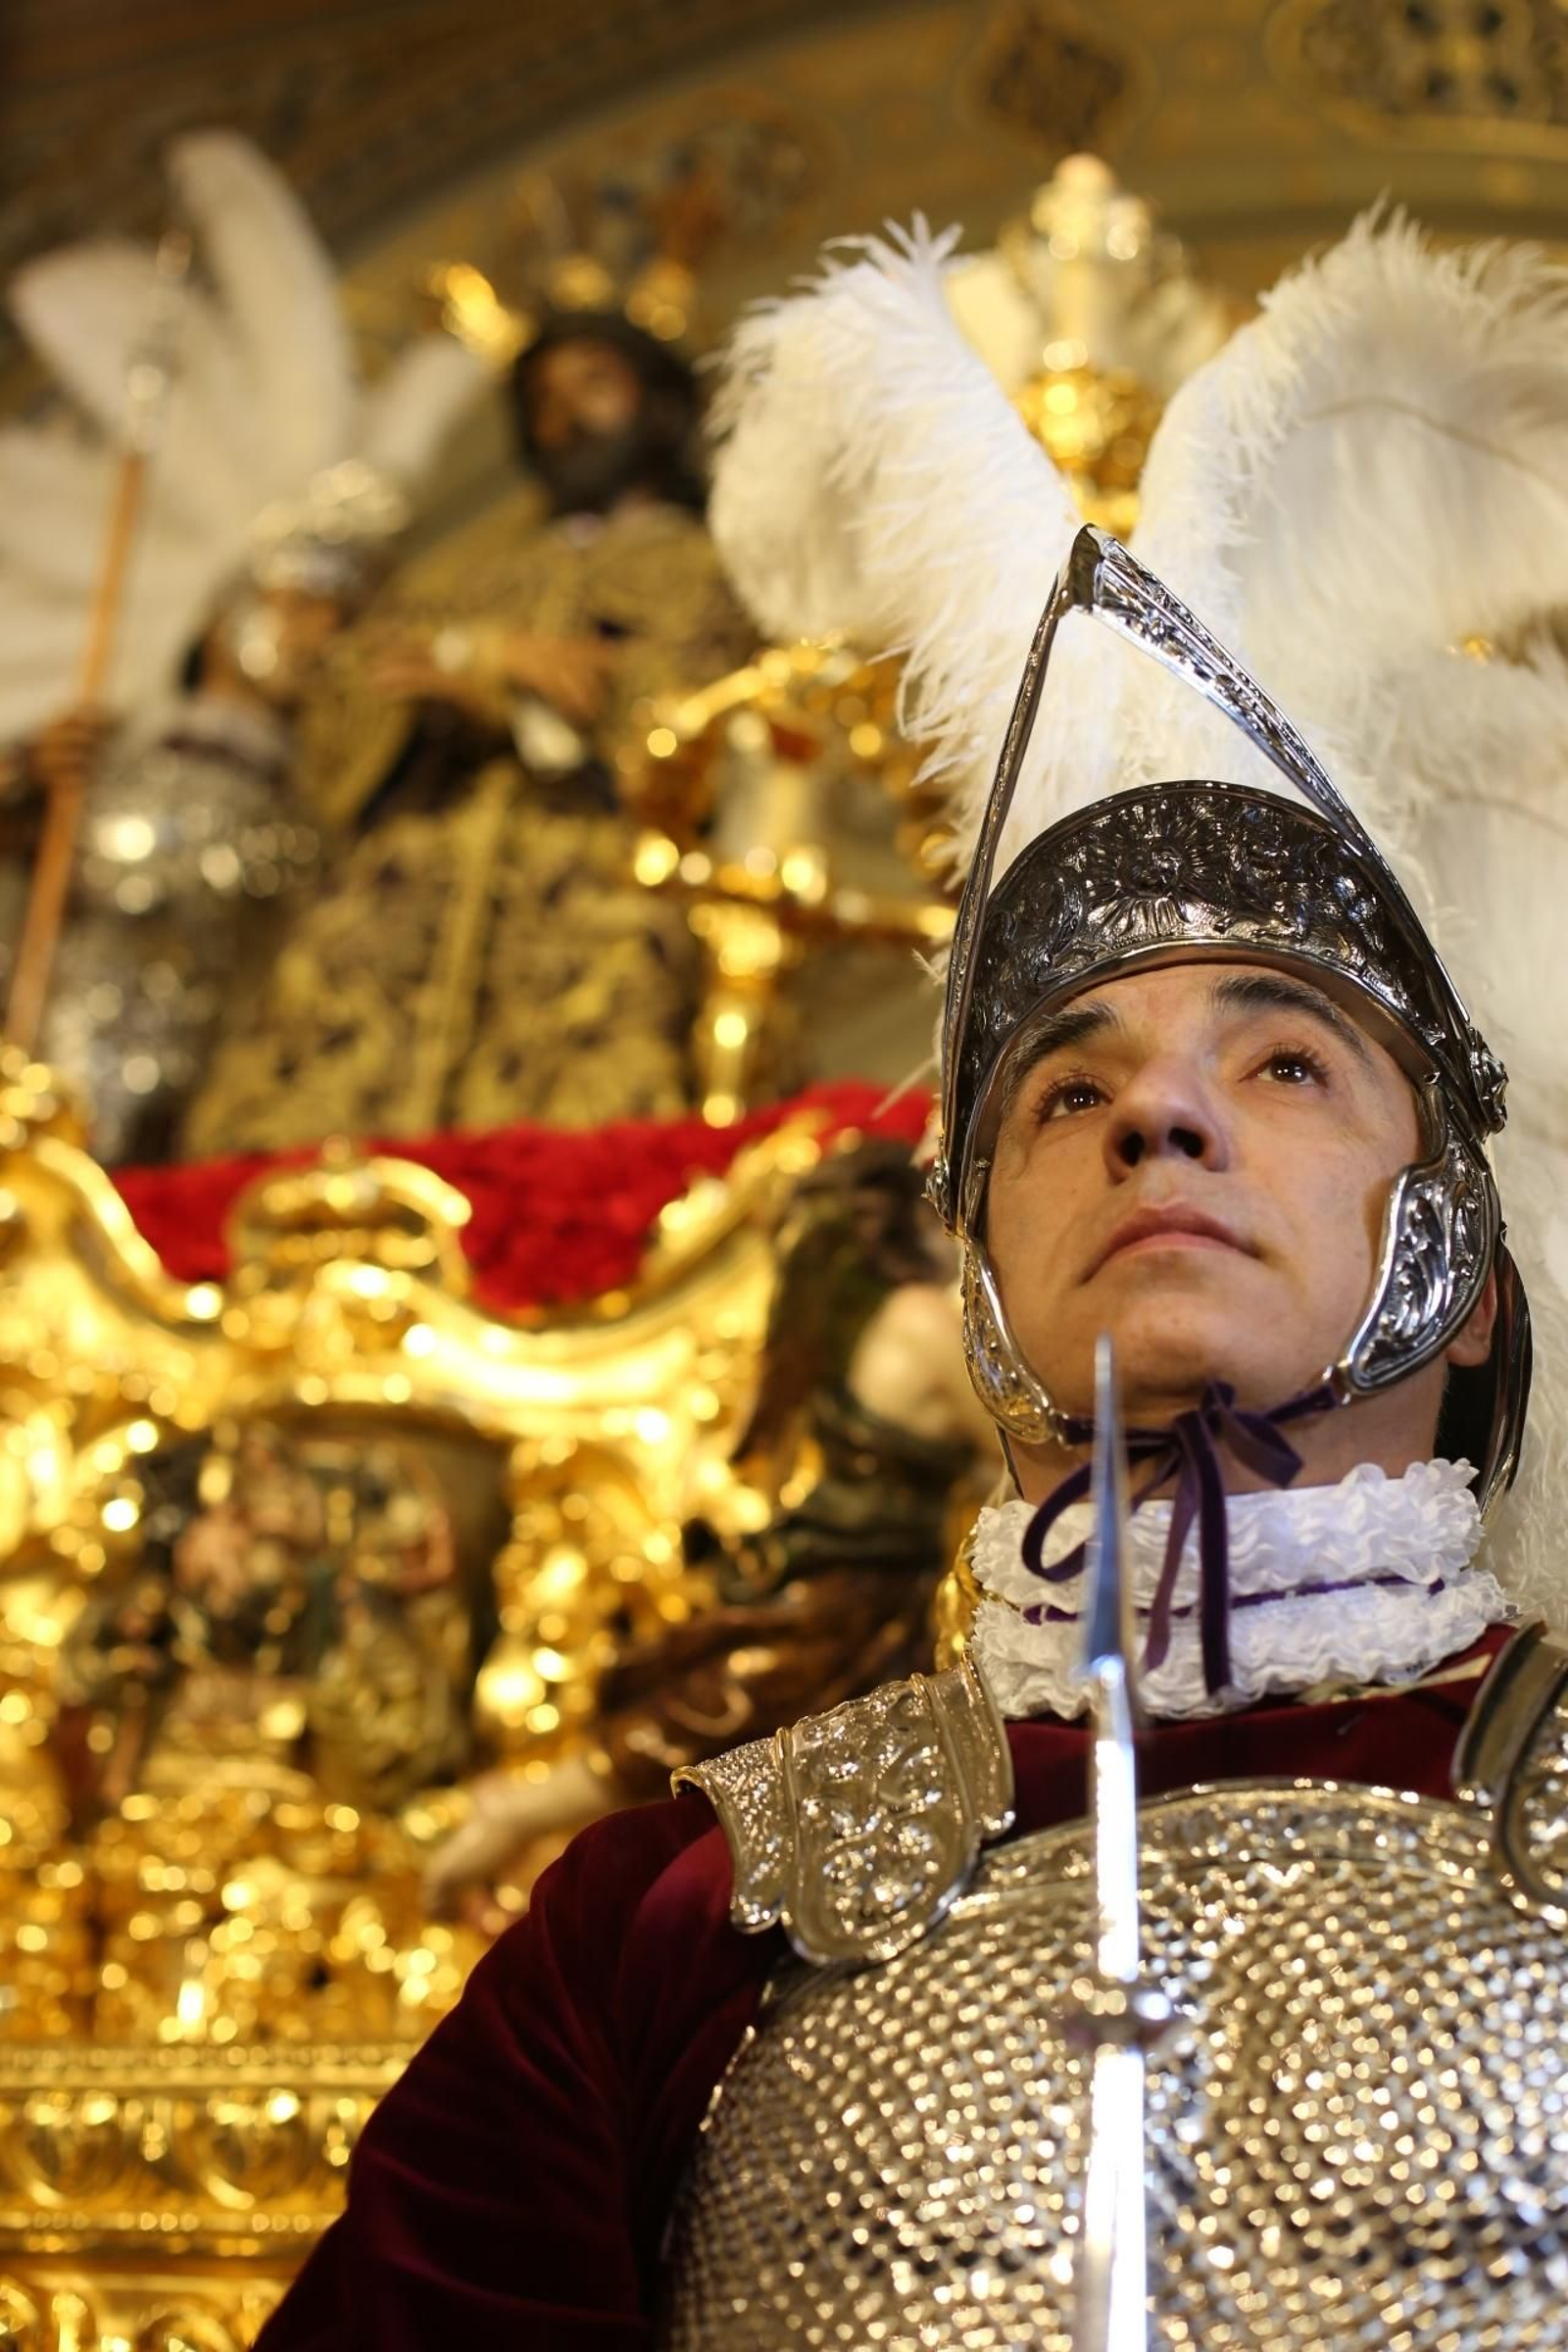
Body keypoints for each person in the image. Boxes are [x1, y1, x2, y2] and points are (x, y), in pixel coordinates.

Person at [257, 215, 1567, 2347]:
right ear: (972, 1276)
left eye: (1280, 1059)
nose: (1155, 1119)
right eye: (1061, 1092)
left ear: (1469, 1270)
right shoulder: (665, 1917)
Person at [0, 132, 483, 1162]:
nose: (323, 636)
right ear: (230, 607)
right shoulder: (110, 755)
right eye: (304, 603)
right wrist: (31, 797)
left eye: (342, 617)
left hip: (214, 1113)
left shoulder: (327, 796)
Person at [182, 310, 755, 1152]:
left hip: (588, 880)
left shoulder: (710, 566)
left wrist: (499, 693)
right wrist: (492, 654)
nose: (564, 417)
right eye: (543, 400)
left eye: (592, 385)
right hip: (410, 886)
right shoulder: (465, 578)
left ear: (659, 406)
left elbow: (698, 708)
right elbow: (359, 680)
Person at [421, 1140, 996, 1917]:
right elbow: (1025, 1448)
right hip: (861, 1591)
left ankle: (519, 1819)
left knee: (702, 1719)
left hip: (828, 1571)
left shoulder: (851, 1319)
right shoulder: (926, 1324)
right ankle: (515, 1814)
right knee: (712, 1716)